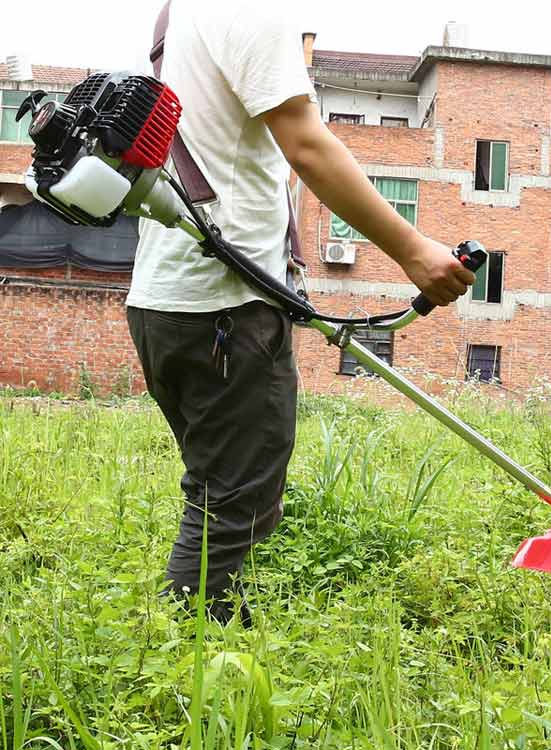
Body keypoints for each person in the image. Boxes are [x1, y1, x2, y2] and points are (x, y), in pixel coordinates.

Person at [125, 0, 475, 624]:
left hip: (162, 301)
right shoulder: (250, 13)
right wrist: (415, 252)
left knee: (220, 488)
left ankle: (217, 634)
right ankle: (185, 671)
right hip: (223, 308)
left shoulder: (178, 17)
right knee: (232, 505)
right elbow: (308, 146)